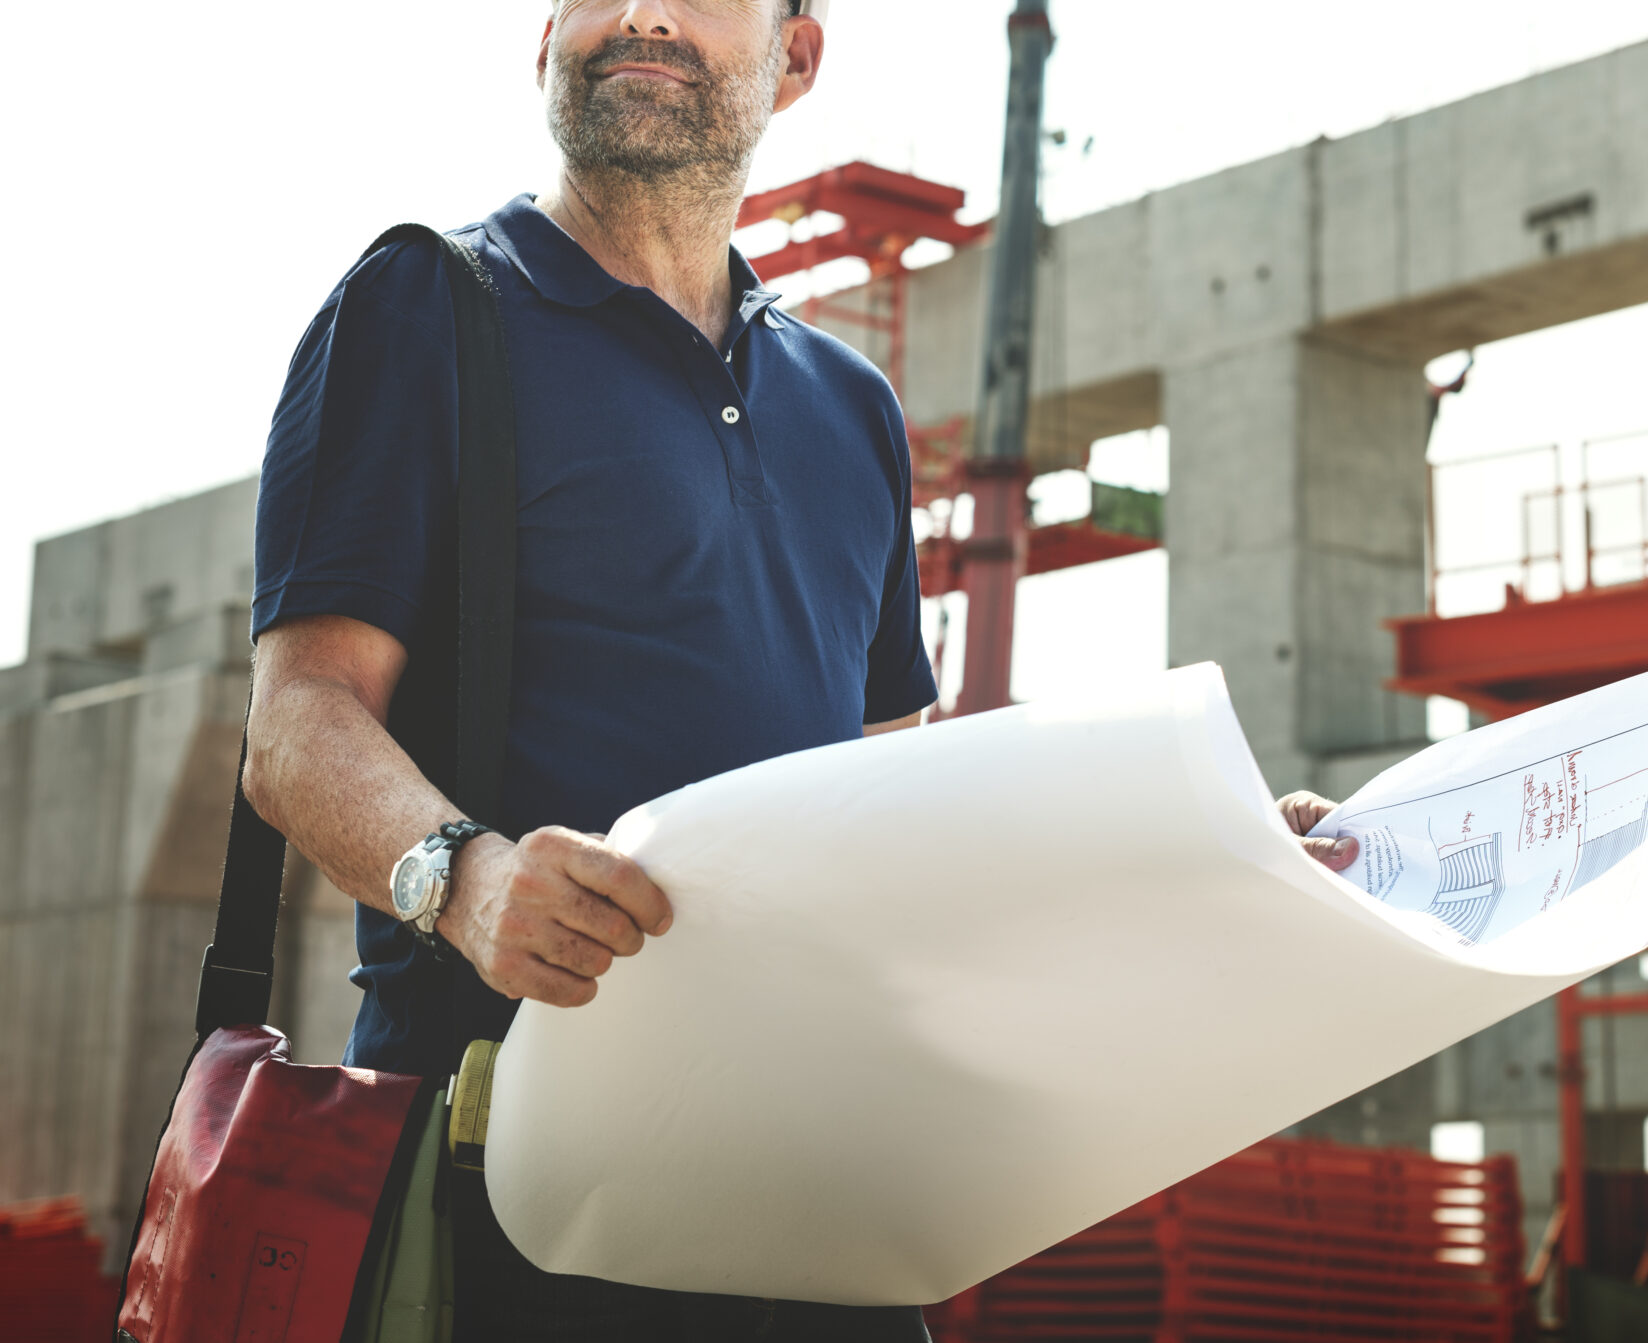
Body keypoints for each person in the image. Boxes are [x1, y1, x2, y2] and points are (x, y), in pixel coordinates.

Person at [242, 2, 1355, 1337]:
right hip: (521, 1196)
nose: (645, 11)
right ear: (543, 38)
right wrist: (466, 878)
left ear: (799, 56)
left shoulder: (851, 409)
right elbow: (297, 723)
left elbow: (913, 815)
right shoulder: (425, 306)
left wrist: (1201, 849)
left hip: (821, 1197)